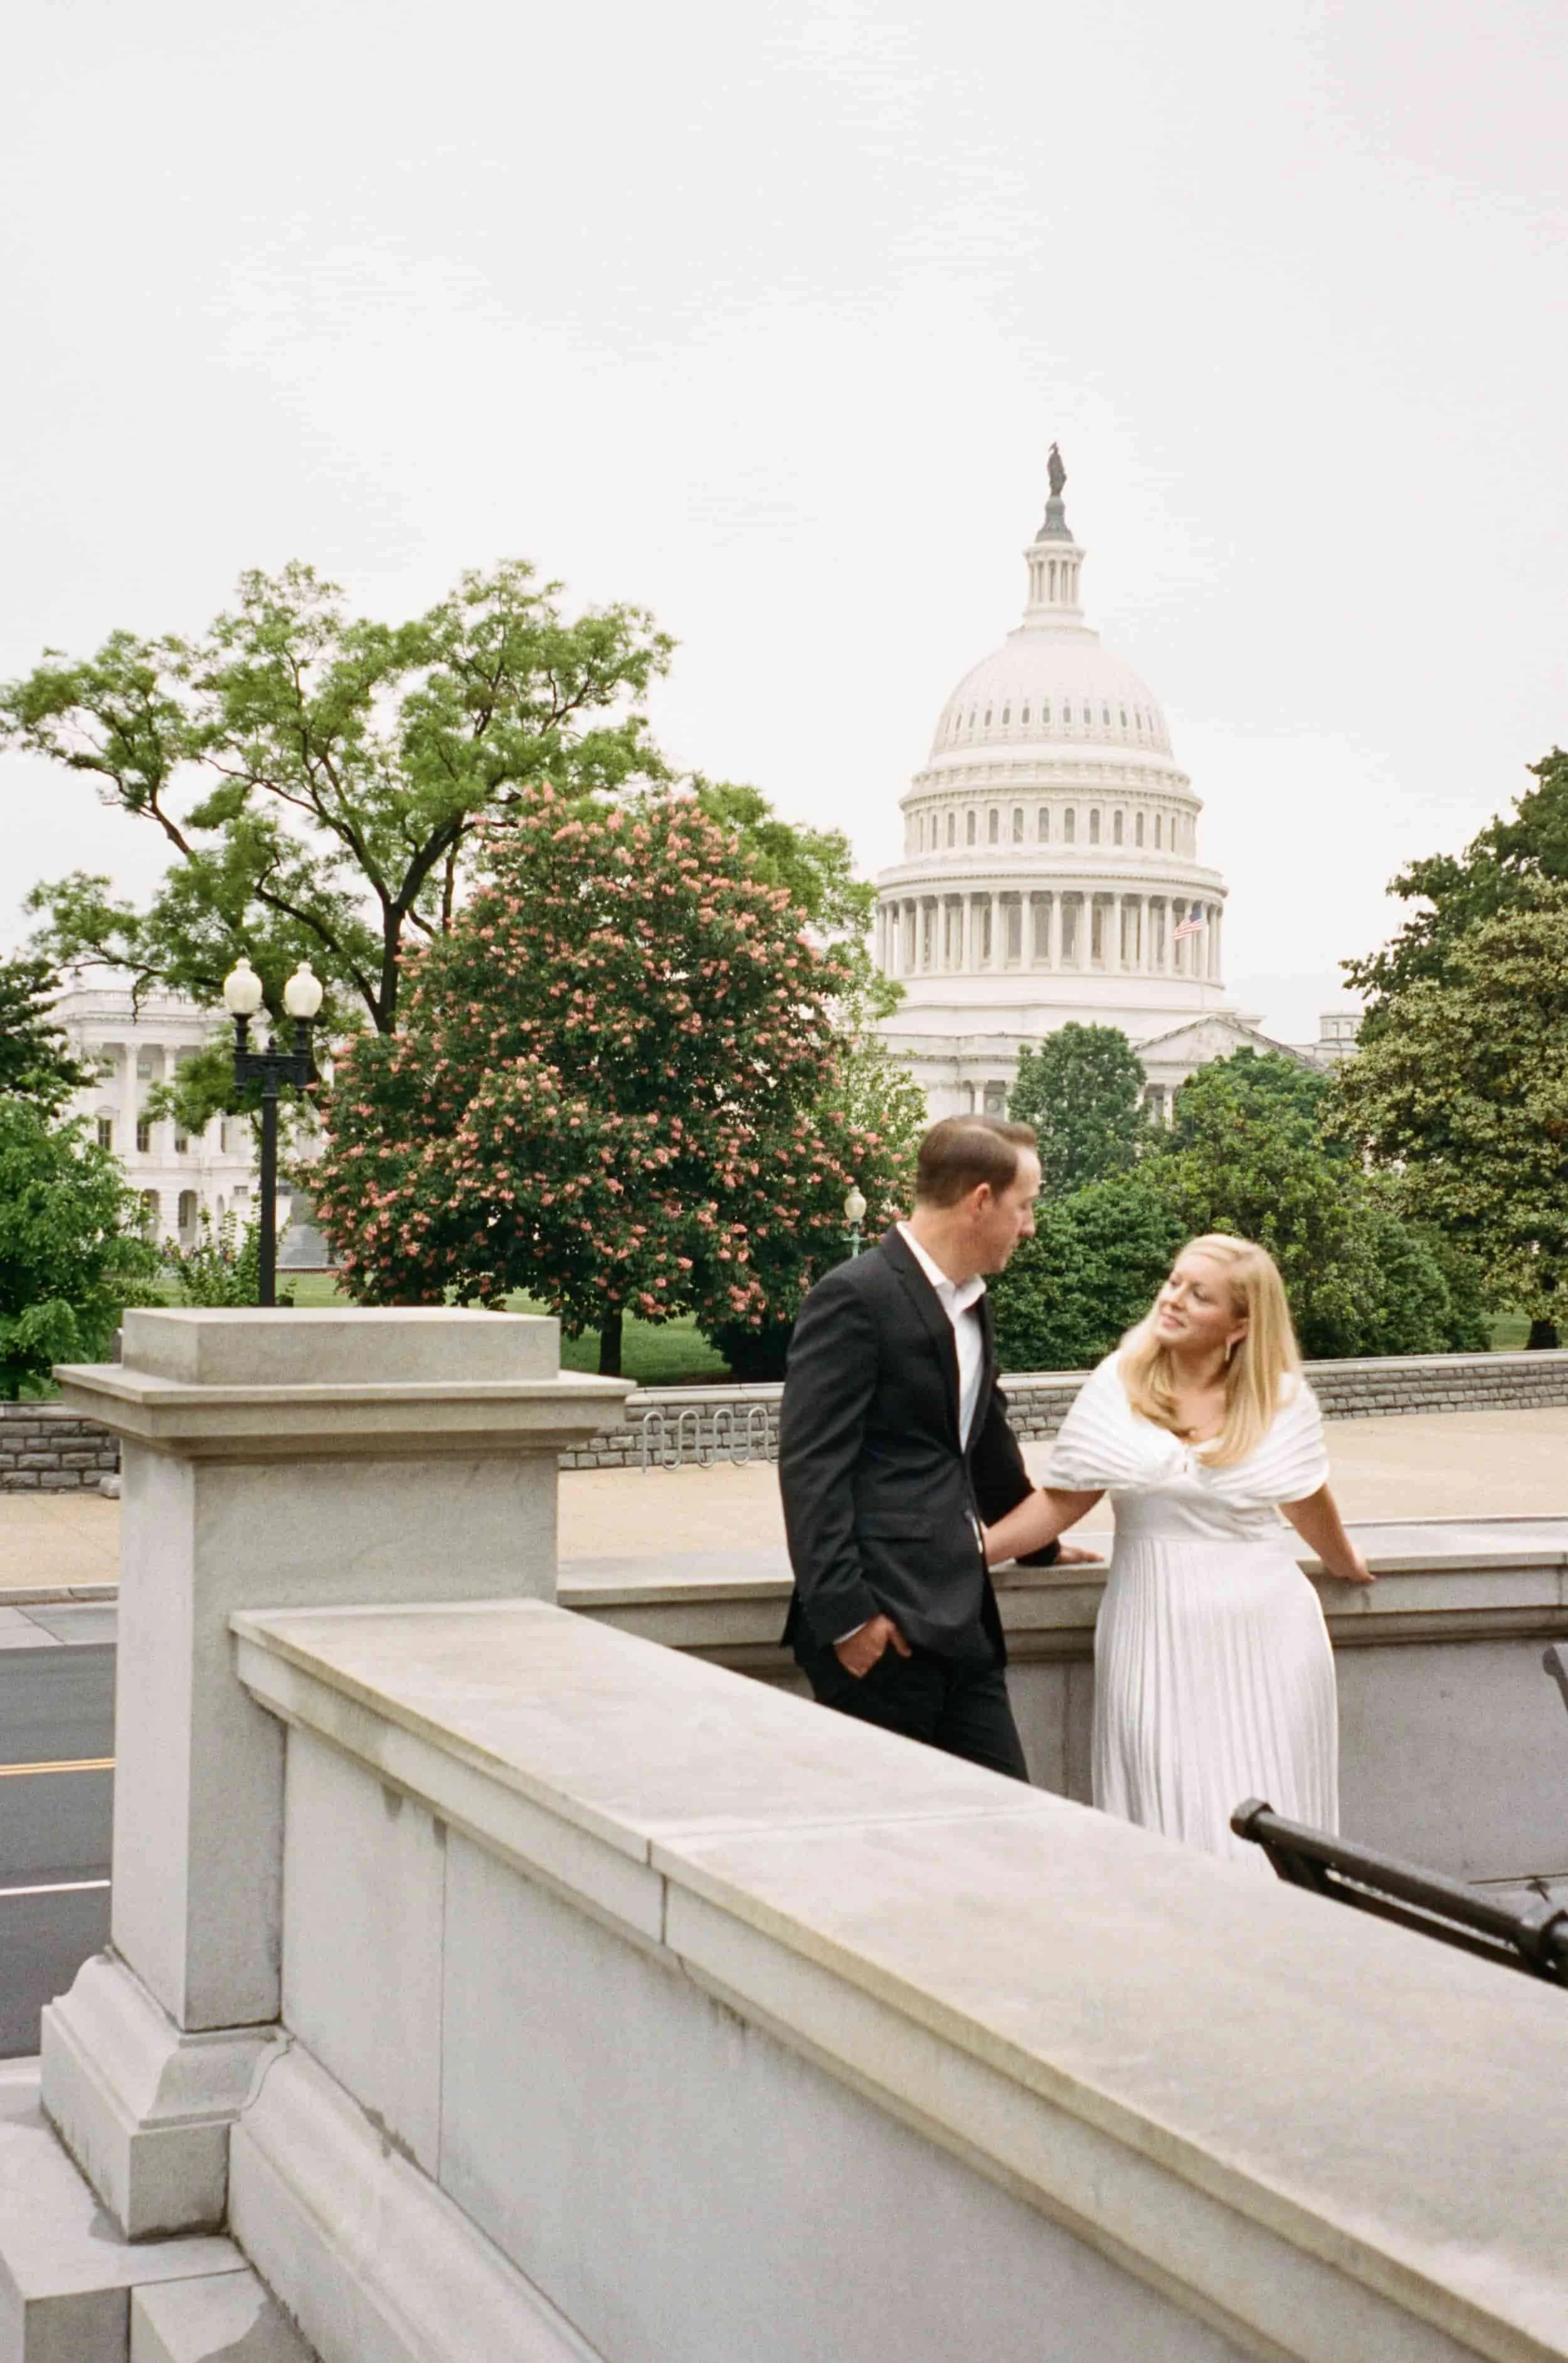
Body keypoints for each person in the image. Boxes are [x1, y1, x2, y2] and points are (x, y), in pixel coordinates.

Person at [982, 1233, 1372, 1862]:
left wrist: (1343, 1561)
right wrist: (969, 1552)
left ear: (1240, 1324)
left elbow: (1306, 1496)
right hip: (1153, 1633)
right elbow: (1062, 1499)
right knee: (1175, 1823)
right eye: (1173, 1282)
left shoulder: (1281, 1399)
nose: (1173, 1298)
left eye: (1199, 1294)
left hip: (1270, 1640)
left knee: (1269, 1823)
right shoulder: (1120, 1381)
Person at [779, 1115, 1099, 1780]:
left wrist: (1039, 1544)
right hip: (880, 1631)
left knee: (1006, 1821)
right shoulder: (853, 1296)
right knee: (892, 1849)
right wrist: (849, 1621)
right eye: (1025, 1206)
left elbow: (982, 1444)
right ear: (981, 1200)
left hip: (961, 1623)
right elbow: (812, 1468)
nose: (1030, 1226)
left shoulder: (972, 1303)